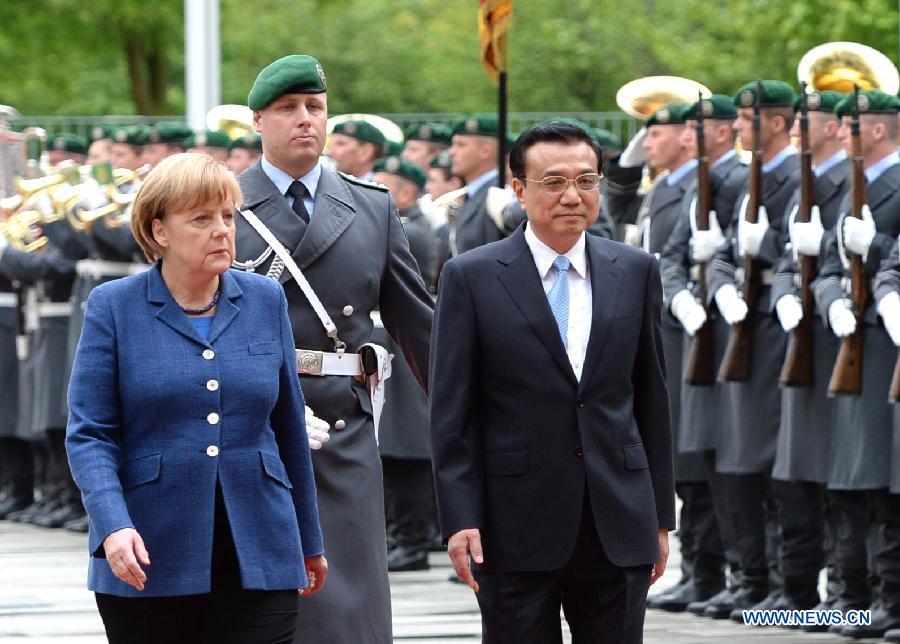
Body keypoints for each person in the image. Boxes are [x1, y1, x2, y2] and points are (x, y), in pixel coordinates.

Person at [65, 153, 326, 644]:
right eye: (201, 218)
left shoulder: (264, 300)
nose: (222, 231)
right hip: (149, 549)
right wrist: (112, 526)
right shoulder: (114, 306)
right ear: (160, 230)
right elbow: (90, 435)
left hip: (261, 545)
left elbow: (288, 429)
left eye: (228, 216)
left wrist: (308, 540)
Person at [430, 122, 675, 643]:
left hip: (617, 518)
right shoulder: (472, 276)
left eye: (587, 181)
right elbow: (453, 412)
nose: (572, 196)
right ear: (519, 189)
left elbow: (651, 399)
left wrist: (658, 515)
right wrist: (459, 516)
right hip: (513, 524)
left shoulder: (634, 270)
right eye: (553, 182)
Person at [233, 54, 433, 643]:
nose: (305, 121)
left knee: (349, 604)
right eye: (287, 109)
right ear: (257, 121)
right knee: (263, 596)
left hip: (343, 422)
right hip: (252, 421)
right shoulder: (222, 200)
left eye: (315, 108)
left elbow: (419, 327)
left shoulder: (371, 205)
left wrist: (481, 415)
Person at [704, 80, 799, 619]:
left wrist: (760, 252)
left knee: (773, 461)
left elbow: (791, 251)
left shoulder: (789, 175)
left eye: (746, 119)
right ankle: (758, 582)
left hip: (776, 324)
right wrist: (719, 274)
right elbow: (730, 248)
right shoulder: (753, 175)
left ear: (777, 122)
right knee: (743, 456)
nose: (737, 128)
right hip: (745, 323)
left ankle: (795, 593)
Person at [815, 89, 900, 639]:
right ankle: (853, 596)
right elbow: (825, 264)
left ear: (875, 129)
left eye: (852, 126)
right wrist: (831, 303)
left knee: (886, 481)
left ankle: (885, 599)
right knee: (850, 478)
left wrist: (876, 253)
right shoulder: (850, 181)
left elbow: (888, 260)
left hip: (887, 344)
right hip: (853, 341)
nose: (841, 137)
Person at [658, 95, 747, 613]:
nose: (690, 136)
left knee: (725, 458)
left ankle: (740, 575)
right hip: (691, 330)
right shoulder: (697, 183)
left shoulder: (736, 176)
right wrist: (681, 295)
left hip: (734, 333)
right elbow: (671, 254)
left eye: (699, 127)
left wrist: (719, 270)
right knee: (693, 459)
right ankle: (702, 570)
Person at [371, 155, 439, 572]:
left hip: (402, 338)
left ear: (408, 193)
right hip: (388, 340)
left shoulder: (412, 229)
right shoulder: (399, 224)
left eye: (386, 187)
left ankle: (412, 538)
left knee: (408, 447)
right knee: (394, 447)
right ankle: (402, 534)